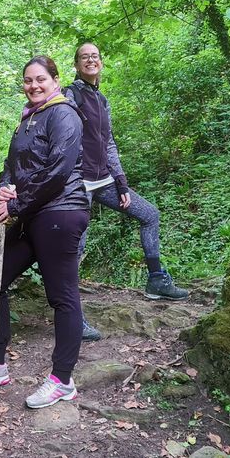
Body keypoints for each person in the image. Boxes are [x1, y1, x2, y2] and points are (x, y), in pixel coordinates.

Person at [0, 55, 90, 410]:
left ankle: (62, 381)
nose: (34, 85)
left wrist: (17, 205)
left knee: (62, 297)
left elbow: (58, 171)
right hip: (30, 215)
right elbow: (11, 168)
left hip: (61, 213)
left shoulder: (64, 114)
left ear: (55, 79)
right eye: (27, 80)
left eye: (40, 79)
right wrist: (3, 190)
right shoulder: (27, 119)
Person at [63, 42, 189, 334]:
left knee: (150, 215)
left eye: (95, 55)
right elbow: (62, 133)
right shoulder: (71, 95)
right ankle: (71, 315)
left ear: (101, 62)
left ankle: (156, 279)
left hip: (105, 180)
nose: (91, 60)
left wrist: (120, 181)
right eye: (85, 57)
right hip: (78, 182)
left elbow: (108, 143)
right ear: (77, 64)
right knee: (77, 245)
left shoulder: (101, 100)